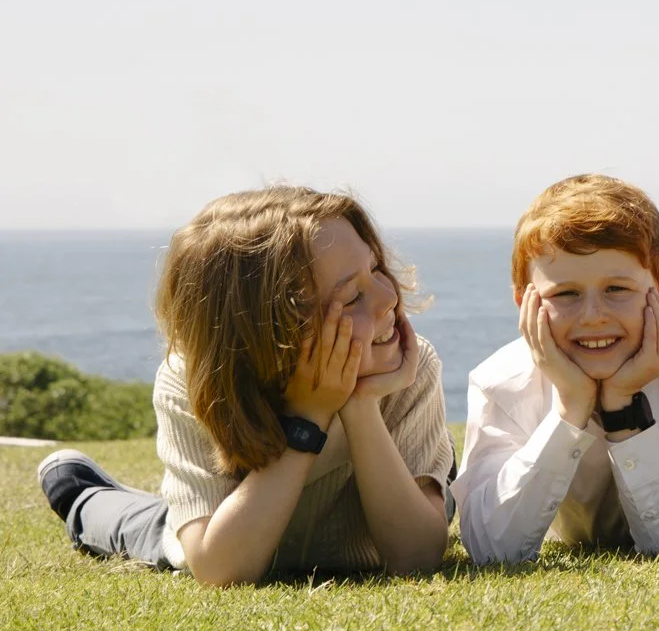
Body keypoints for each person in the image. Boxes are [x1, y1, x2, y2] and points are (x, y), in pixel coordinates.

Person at [36, 187, 453, 585]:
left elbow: (417, 556)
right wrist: (310, 416)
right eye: (352, 297)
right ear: (270, 330)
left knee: (438, 497)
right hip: (228, 525)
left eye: (376, 268)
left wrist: (360, 406)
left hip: (358, 535)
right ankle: (83, 495)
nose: (388, 297)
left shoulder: (409, 369)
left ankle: (440, 475)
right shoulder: (190, 382)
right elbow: (220, 569)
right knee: (142, 526)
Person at [453, 174, 659, 564]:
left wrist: (623, 410)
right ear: (524, 302)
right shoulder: (499, 383)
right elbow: (492, 547)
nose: (593, 316)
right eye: (565, 293)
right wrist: (569, 407)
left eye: (617, 289)